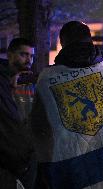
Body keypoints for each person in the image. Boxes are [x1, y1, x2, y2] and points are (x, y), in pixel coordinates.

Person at [30, 21, 103, 189]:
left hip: (68, 170)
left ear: (62, 43)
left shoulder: (47, 78)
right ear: (89, 40)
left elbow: (39, 129)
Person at [0, 38, 37, 189]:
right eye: (23, 54)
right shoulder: (4, 81)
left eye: (31, 56)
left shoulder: (29, 81)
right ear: (10, 55)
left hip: (27, 155)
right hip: (11, 159)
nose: (28, 60)